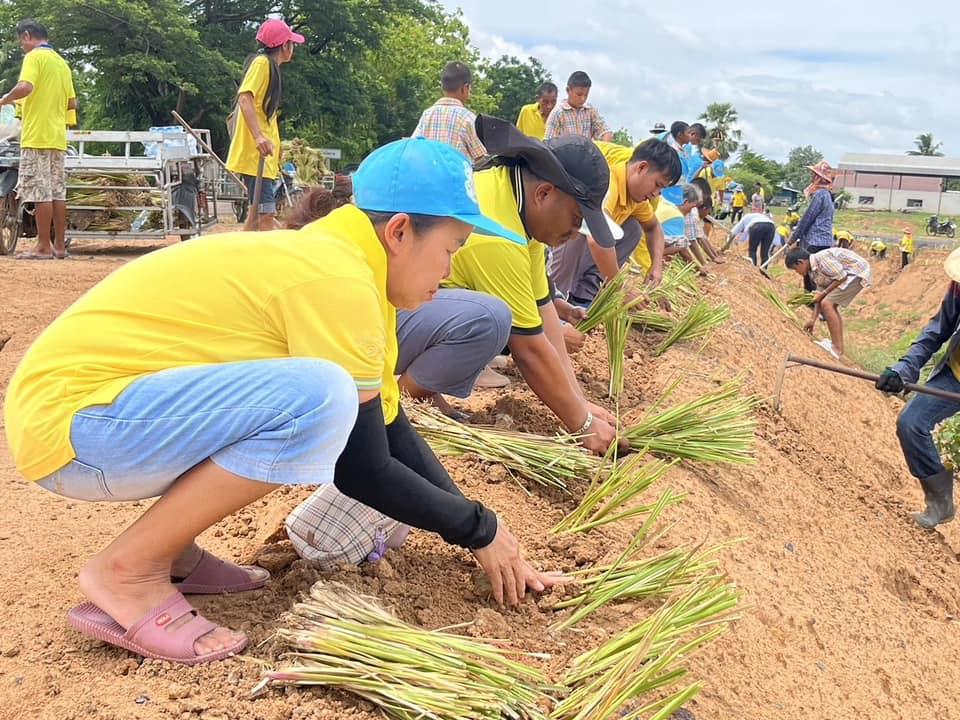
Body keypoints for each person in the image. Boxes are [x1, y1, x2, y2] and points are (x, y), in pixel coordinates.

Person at [3, 137, 562, 666]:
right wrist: (476, 527)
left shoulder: (352, 269)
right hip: (79, 425)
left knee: (324, 396)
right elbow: (363, 468)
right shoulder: (336, 279)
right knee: (319, 397)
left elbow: (390, 431)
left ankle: (173, 554)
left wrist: (483, 530)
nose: (448, 270)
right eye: (450, 248)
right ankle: (128, 570)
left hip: (101, 416)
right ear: (398, 231)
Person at [875, 247, 960, 529]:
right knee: (911, 423)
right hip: (956, 375)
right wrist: (904, 368)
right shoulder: (959, 287)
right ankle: (940, 503)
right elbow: (938, 329)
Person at [550, 138, 679, 306]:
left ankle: (584, 296)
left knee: (633, 229)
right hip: (556, 249)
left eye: (661, 189)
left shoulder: (636, 200)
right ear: (641, 167)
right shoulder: (608, 183)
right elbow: (595, 239)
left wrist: (656, 266)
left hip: (584, 255)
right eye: (657, 184)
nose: (656, 193)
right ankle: (556, 300)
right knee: (584, 230)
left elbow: (654, 227)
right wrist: (621, 287)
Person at [0, 19, 76, 259]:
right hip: (57, 136)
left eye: (21, 41)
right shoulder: (61, 63)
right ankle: (60, 246)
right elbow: (72, 103)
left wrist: (4, 100)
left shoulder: (34, 57)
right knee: (57, 193)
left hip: (37, 135)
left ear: (26, 35)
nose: (22, 46)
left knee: (41, 192)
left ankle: (43, 246)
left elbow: (25, 87)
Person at [225, 19, 303, 232]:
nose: (293, 48)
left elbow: (265, 116)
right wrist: (259, 137)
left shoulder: (271, 68)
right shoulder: (262, 64)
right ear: (285, 45)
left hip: (264, 157)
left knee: (255, 215)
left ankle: (241, 257)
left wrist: (276, 151)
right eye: (292, 43)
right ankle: (266, 262)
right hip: (254, 154)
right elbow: (245, 98)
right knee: (265, 213)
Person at [784, 246, 872, 359]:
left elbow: (842, 277)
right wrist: (812, 319)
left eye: (796, 269)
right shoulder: (812, 271)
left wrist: (825, 293)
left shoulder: (822, 259)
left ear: (801, 262)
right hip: (848, 274)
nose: (797, 273)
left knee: (827, 304)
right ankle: (837, 346)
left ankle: (837, 349)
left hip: (857, 272)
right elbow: (818, 296)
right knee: (828, 304)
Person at [413, 61, 486, 163]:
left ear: (442, 87)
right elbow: (481, 158)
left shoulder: (427, 115)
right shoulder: (468, 118)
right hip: (458, 177)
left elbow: (414, 146)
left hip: (429, 175)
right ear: (465, 88)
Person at [544, 71, 613, 141]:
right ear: (568, 90)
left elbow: (605, 132)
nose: (582, 99)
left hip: (587, 151)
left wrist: (605, 143)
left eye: (586, 95)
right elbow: (549, 143)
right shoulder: (558, 113)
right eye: (579, 94)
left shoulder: (591, 111)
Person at [656, 186, 708, 275]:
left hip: (640, 245)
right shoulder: (676, 215)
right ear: (685, 202)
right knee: (682, 242)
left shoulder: (662, 202)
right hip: (647, 250)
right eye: (692, 207)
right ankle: (656, 259)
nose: (690, 212)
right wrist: (698, 267)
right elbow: (683, 249)